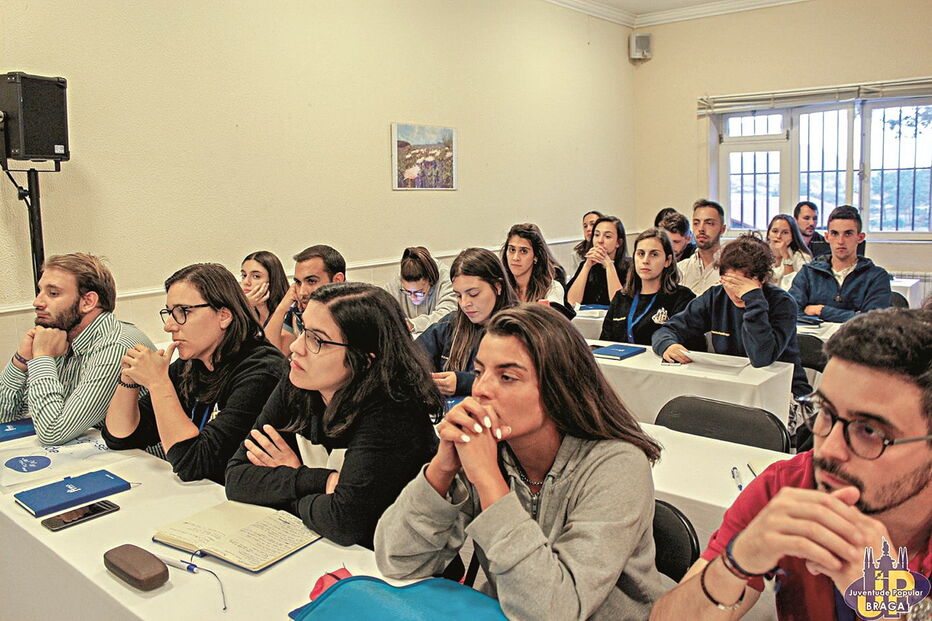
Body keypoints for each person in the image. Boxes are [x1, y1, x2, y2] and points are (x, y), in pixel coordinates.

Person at [375, 304, 665, 619]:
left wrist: (488, 481)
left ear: (559, 387)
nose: (481, 389)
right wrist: (441, 468)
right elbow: (398, 560)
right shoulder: (492, 449)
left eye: (508, 377)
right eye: (479, 371)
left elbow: (554, 611)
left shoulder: (618, 466)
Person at [650, 308, 932, 621]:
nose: (829, 449)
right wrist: (736, 561)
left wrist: (885, 600)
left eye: (870, 431)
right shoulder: (788, 485)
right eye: (825, 412)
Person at [225, 283, 441, 548]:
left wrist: (286, 484)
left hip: (398, 570)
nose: (296, 346)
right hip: (326, 551)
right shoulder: (298, 381)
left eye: (317, 339)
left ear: (364, 358)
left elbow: (345, 523)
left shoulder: (394, 410)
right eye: (303, 329)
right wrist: (316, 479)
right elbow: (236, 478)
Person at [103, 263, 285, 484]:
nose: (169, 326)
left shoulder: (261, 372)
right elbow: (120, 437)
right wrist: (129, 380)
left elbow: (195, 463)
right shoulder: (191, 364)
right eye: (169, 313)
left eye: (183, 312)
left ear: (224, 316)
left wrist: (159, 383)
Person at [0, 253, 154, 446]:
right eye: (40, 291)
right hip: (97, 453)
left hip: (145, 466)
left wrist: (42, 357)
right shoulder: (63, 336)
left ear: (88, 302)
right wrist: (21, 360)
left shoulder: (116, 346)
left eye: (53, 293)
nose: (37, 302)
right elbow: (5, 417)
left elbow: (52, 432)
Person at [653, 234, 812, 404]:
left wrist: (754, 300)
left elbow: (761, 357)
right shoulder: (715, 297)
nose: (737, 292)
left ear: (762, 280)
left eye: (744, 283)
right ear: (721, 279)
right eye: (731, 283)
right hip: (735, 388)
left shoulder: (782, 303)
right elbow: (667, 329)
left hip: (785, 391)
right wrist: (667, 345)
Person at [416, 248, 518, 397]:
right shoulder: (450, 325)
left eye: (473, 294)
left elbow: (518, 385)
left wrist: (465, 383)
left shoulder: (521, 329)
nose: (465, 303)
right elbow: (411, 358)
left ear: (498, 287)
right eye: (458, 295)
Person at [788, 205, 891, 322]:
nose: (840, 241)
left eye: (848, 234)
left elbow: (872, 321)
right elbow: (790, 311)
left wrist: (821, 311)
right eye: (835, 233)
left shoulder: (876, 276)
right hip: (814, 339)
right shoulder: (809, 272)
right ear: (827, 237)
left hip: (855, 338)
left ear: (860, 237)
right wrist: (853, 315)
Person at [600, 228, 696, 346]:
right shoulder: (621, 297)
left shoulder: (683, 298)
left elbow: (691, 345)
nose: (645, 260)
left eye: (654, 254)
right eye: (641, 254)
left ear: (668, 260)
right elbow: (604, 343)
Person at [265, 245, 346, 355]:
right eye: (298, 282)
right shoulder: (299, 311)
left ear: (337, 281)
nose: (302, 292)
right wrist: (282, 308)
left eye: (311, 281)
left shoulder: (355, 312)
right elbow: (272, 353)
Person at [384, 246, 457, 335]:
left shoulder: (446, 279)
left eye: (418, 292)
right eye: (407, 292)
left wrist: (413, 324)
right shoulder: (399, 280)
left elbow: (448, 315)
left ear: (430, 281)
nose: (412, 297)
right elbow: (382, 306)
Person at [566, 216, 630, 306]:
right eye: (596, 235)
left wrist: (609, 265)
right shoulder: (585, 265)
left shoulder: (630, 267)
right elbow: (572, 302)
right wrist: (587, 266)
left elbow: (619, 305)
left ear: (618, 242)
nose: (600, 241)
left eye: (607, 236)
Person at [500, 223, 565, 305]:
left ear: (535, 256)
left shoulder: (553, 289)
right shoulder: (499, 287)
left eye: (524, 251)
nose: (515, 258)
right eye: (512, 250)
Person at [677, 199, 726, 296]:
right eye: (696, 223)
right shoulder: (680, 269)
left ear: (722, 229)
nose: (701, 229)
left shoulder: (732, 270)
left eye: (709, 223)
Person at [240, 251, 289, 330]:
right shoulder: (243, 310)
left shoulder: (287, 311)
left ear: (272, 280)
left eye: (256, 276)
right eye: (244, 275)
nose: (246, 282)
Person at [765, 214, 811, 290]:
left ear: (792, 236)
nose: (778, 236)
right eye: (775, 231)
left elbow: (794, 290)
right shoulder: (760, 253)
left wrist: (786, 257)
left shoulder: (802, 257)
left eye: (785, 232)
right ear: (768, 235)